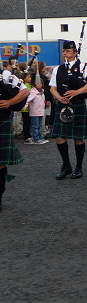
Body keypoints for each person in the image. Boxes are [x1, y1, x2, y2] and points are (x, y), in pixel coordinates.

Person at [49, 40, 87, 180]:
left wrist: (77, 92)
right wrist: (59, 98)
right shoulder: (58, 69)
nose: (66, 53)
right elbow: (53, 88)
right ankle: (66, 165)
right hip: (62, 105)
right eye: (64, 51)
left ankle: (78, 167)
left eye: (68, 51)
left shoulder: (82, 67)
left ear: (75, 53)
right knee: (59, 137)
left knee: (78, 138)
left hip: (77, 105)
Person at [0, 70, 29, 211]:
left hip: (1, 121)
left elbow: (24, 91)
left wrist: (9, 102)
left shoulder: (4, 75)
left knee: (0, 163)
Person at [23, 75, 48, 144]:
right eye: (38, 83)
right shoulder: (33, 92)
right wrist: (24, 107)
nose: (39, 85)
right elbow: (28, 100)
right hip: (35, 112)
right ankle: (36, 138)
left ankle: (40, 138)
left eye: (40, 83)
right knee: (35, 126)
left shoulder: (42, 92)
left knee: (39, 126)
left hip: (41, 111)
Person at [21, 73, 33, 144]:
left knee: (29, 122)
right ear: (24, 79)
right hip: (25, 108)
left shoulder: (31, 86)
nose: (30, 78)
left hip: (31, 107)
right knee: (26, 123)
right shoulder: (24, 86)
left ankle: (29, 135)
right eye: (28, 77)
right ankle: (26, 136)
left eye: (30, 77)